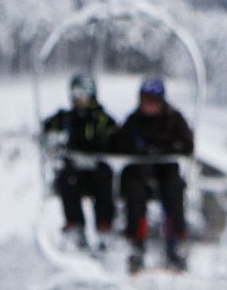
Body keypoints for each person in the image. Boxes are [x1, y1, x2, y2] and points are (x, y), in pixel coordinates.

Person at [116, 77, 194, 274]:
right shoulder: (134, 121)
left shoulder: (174, 119)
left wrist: (166, 148)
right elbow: (119, 143)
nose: (149, 105)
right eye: (146, 100)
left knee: (174, 191)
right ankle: (136, 243)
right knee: (134, 193)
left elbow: (187, 144)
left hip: (166, 172)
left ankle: (176, 242)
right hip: (140, 173)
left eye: (153, 101)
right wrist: (139, 151)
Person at [41, 73, 119, 249]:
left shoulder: (101, 119)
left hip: (97, 170)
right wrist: (50, 131)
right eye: (74, 94)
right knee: (66, 178)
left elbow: (115, 137)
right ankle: (75, 225)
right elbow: (49, 124)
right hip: (77, 172)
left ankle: (104, 226)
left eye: (81, 93)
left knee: (103, 179)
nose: (77, 98)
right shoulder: (68, 118)